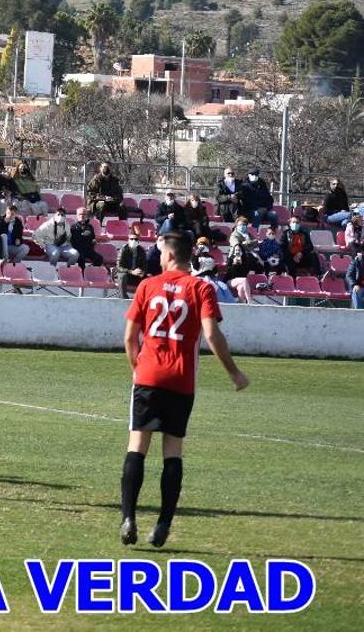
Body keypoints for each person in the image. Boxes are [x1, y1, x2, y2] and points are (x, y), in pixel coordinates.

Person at [119, 232, 249, 548]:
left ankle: (128, 518)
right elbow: (212, 334)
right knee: (172, 451)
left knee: (137, 446)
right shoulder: (201, 288)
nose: (158, 257)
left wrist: (140, 369)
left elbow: (129, 338)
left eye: (161, 252)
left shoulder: (148, 286)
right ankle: (163, 523)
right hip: (181, 379)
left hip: (148, 376)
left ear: (171, 256)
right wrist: (233, 372)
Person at [116, 231, 149, 299]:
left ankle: (144, 299)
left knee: (149, 277)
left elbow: (145, 265)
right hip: (126, 274)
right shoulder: (123, 249)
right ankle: (123, 297)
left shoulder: (141, 251)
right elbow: (119, 267)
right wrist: (131, 271)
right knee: (122, 275)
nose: (133, 241)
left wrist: (142, 272)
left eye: (136, 239)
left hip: (136, 276)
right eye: (131, 239)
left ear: (138, 241)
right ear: (128, 240)